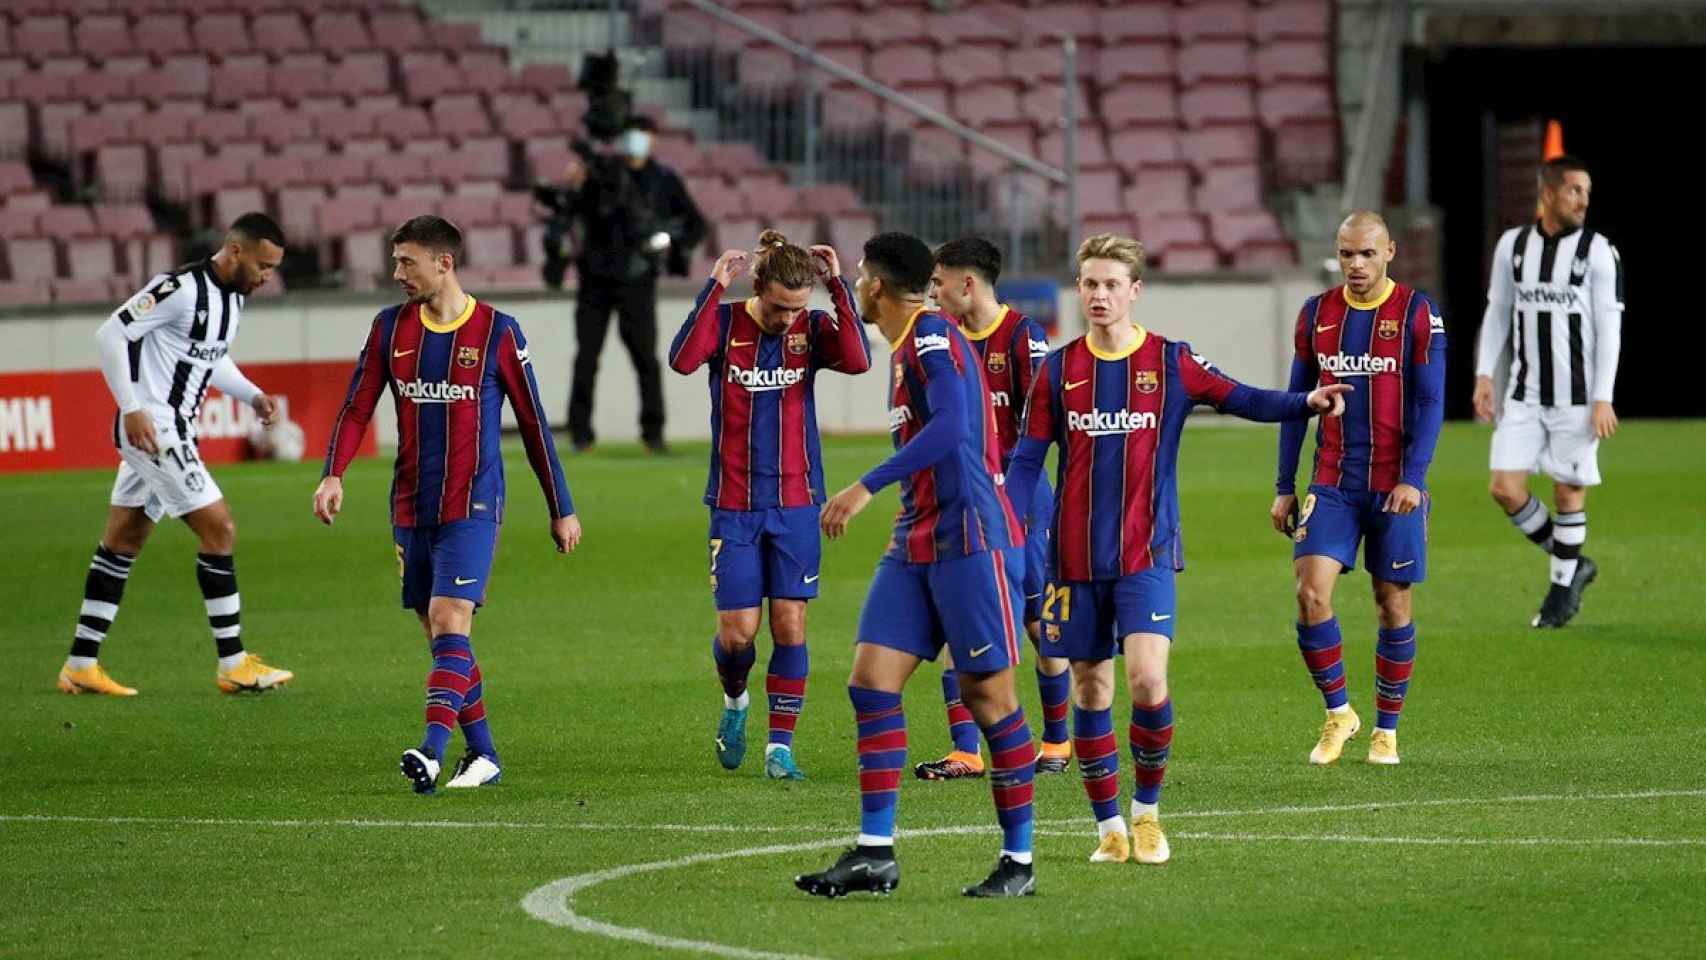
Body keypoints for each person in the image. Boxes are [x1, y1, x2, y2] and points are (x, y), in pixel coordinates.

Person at [1003, 233, 1349, 866]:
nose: (1100, 295)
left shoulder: (1170, 362)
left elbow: (1242, 398)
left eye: (1112, 284)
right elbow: (1028, 459)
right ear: (1078, 290)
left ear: (1135, 291)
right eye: (1090, 284)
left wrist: (1306, 401)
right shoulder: (1057, 369)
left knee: (1147, 679)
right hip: (1073, 561)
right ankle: (1108, 826)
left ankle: (1148, 816)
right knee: (1089, 691)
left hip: (1148, 553)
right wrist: (1005, 522)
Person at [794, 232, 1038, 899]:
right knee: (872, 682)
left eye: (862, 279)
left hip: (970, 539)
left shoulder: (930, 338)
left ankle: (1018, 863)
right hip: (918, 538)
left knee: (991, 699)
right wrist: (837, 285)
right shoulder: (904, 344)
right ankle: (875, 854)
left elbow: (955, 426)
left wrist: (863, 486)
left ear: (878, 284)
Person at [313, 216, 583, 794]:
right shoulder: (389, 329)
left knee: (449, 619)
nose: (396, 273)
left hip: (473, 504)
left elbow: (534, 425)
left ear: (445, 263)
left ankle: (432, 751)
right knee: (442, 640)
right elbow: (357, 407)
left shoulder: (498, 332)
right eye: (395, 261)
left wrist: (561, 507)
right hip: (410, 504)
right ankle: (483, 754)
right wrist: (333, 473)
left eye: (407, 262)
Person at [58, 213, 294, 697]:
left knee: (123, 541)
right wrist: (132, 408)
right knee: (220, 528)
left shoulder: (231, 299)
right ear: (235, 251)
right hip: (156, 431)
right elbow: (111, 333)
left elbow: (210, 355)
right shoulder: (179, 288)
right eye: (263, 266)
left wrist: (250, 394)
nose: (267, 277)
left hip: (175, 430)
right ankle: (233, 664)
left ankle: (80, 665)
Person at [666, 229, 872, 780]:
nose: (787, 319)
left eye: (796, 308)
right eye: (780, 307)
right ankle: (735, 702)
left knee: (790, 623)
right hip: (733, 503)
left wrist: (839, 288)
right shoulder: (728, 323)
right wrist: (712, 289)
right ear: (758, 287)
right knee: (737, 633)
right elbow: (683, 360)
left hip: (798, 501)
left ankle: (779, 748)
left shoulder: (812, 324)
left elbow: (857, 361)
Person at [1271, 211, 1446, 768]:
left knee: (1391, 604)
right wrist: (1283, 485)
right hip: (1334, 480)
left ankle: (1386, 730)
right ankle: (1339, 712)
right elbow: (1297, 403)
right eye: (1346, 253)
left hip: (1395, 483)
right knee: (1309, 592)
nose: (1356, 264)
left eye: (1367, 253)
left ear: (1390, 251)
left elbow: (1430, 401)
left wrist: (1414, 480)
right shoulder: (1316, 314)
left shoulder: (1418, 313)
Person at [917, 237, 1072, 780]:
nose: (932, 293)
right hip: (960, 506)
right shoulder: (937, 339)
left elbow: (1049, 426)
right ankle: (965, 751)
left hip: (1021, 506)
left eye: (938, 283)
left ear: (967, 283)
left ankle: (1055, 742)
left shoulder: (1022, 338)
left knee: (1036, 622)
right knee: (958, 618)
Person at [1473, 154, 1623, 628]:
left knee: (1567, 491)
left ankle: (1560, 592)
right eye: (1575, 190)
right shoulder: (1513, 246)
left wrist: (1603, 396)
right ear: (1549, 192)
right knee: (1504, 487)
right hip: (1523, 393)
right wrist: (1484, 374)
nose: (1583, 200)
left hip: (1577, 399)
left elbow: (1609, 327)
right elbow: (1498, 311)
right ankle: (1574, 561)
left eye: (1587, 192)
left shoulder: (1598, 251)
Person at [548, 115, 708, 453]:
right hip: (594, 277)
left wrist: (662, 243)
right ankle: (580, 435)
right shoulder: (597, 174)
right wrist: (572, 185)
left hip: (637, 278)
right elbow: (567, 211)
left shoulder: (663, 180)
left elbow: (694, 225)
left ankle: (653, 433)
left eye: (643, 134)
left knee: (645, 358)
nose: (637, 140)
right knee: (587, 357)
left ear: (653, 140)